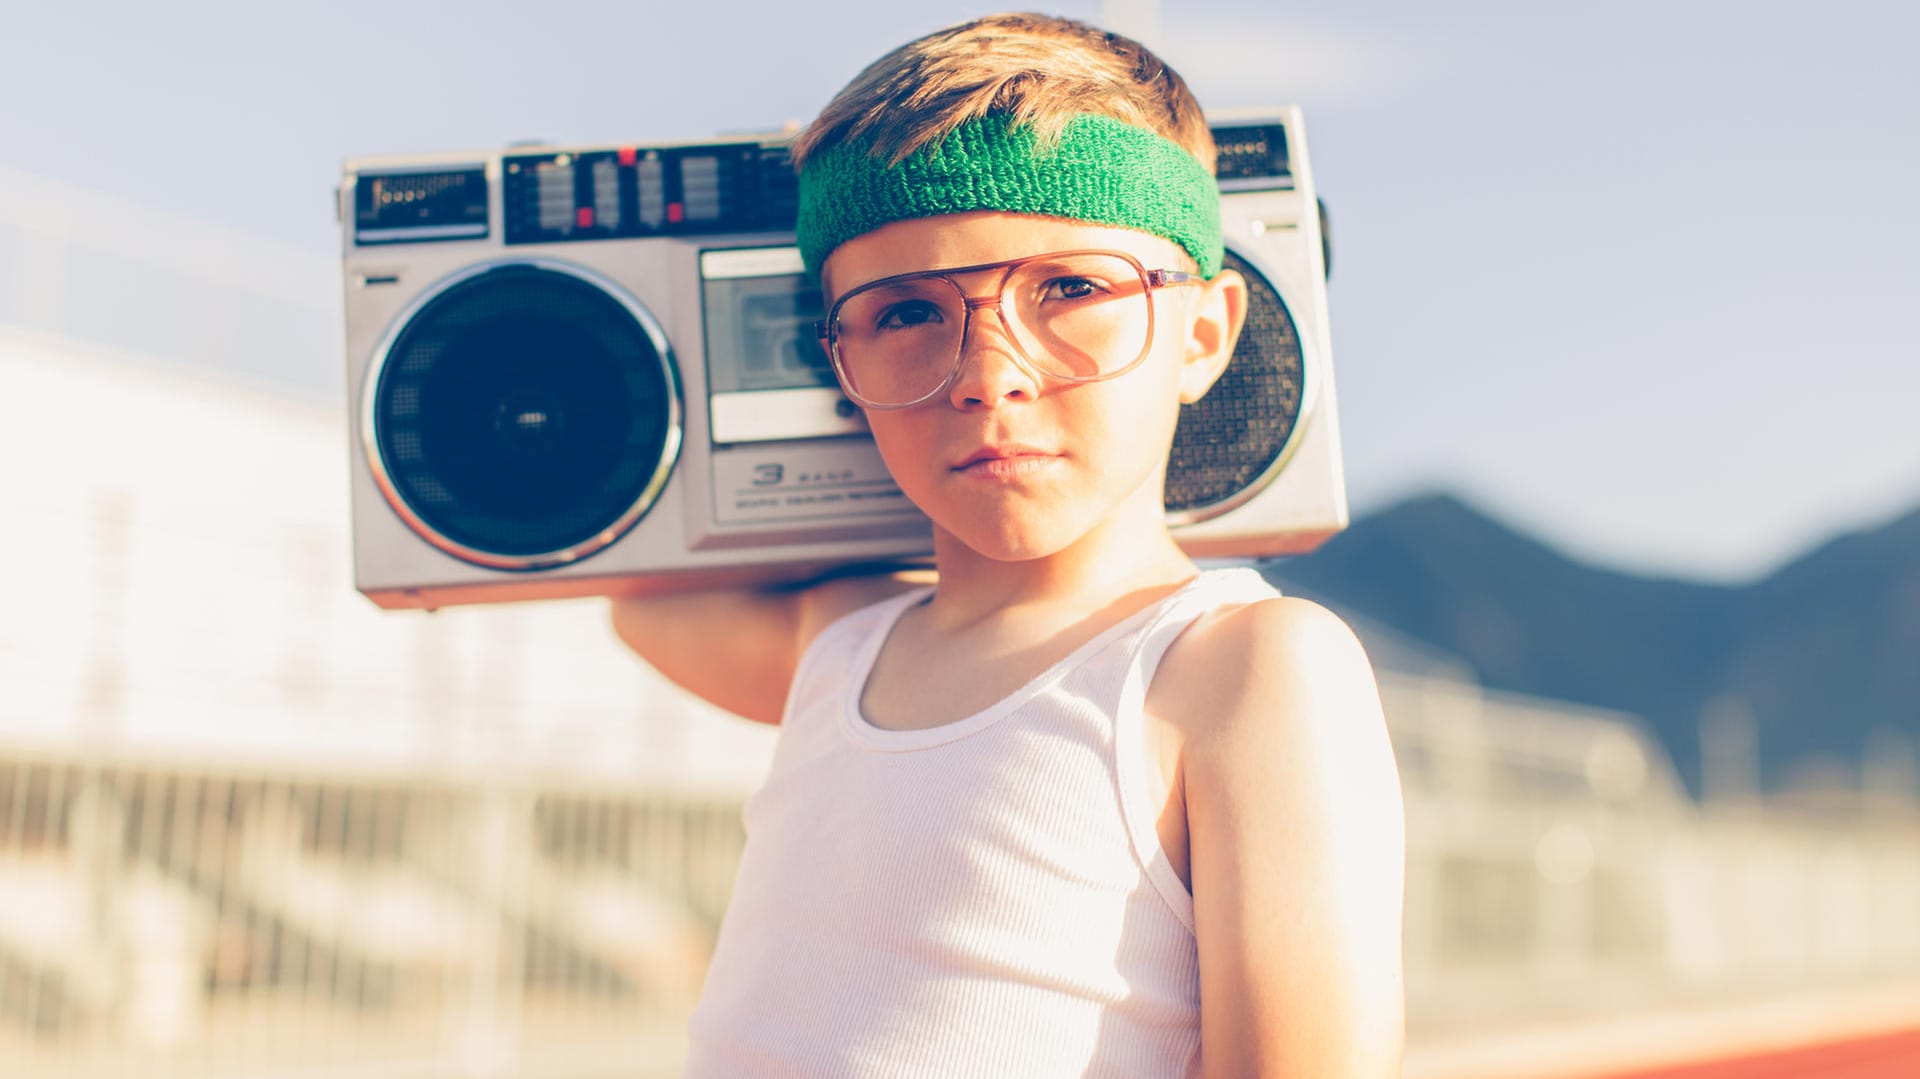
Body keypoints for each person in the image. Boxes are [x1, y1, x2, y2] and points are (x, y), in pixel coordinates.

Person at [610, 12, 1404, 1076]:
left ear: (1205, 334)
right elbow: (631, 590)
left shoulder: (1240, 667)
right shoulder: (840, 640)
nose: (990, 370)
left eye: (1071, 288)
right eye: (903, 315)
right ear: (833, 361)